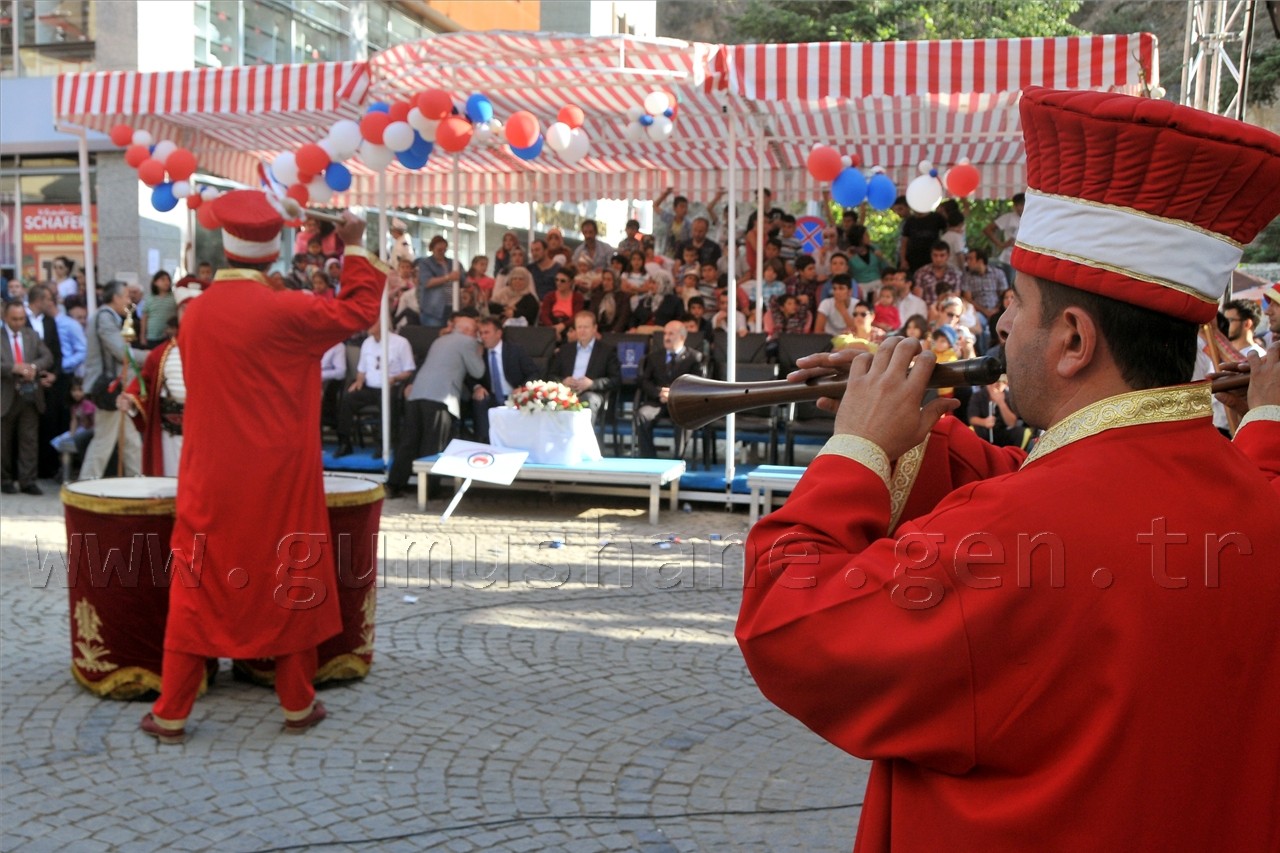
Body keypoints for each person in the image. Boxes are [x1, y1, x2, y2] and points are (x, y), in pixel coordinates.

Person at [737, 87, 1280, 851]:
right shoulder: (1252, 496)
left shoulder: (1006, 537)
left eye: (1017, 305)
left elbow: (790, 624)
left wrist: (856, 448)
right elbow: (1058, 490)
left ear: (1073, 340)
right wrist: (911, 430)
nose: (1000, 322)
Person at [139, 192, 386, 744]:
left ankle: (172, 711)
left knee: (196, 580)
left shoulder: (196, 313)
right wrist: (354, 245)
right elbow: (356, 311)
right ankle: (297, 702)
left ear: (224, 249)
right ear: (274, 253)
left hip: (211, 471)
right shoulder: (289, 310)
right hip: (279, 471)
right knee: (290, 575)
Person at [385, 313, 484, 500]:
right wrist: (479, 352)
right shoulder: (467, 342)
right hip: (440, 397)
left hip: (418, 394)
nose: (476, 334)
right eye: (474, 330)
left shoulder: (439, 341)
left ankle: (394, 484)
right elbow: (478, 371)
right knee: (433, 444)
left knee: (409, 441)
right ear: (465, 331)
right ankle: (430, 491)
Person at [118, 283, 203, 476]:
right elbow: (144, 384)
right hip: (169, 435)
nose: (188, 314)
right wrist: (131, 399)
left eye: (194, 309)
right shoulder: (161, 354)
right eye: (184, 309)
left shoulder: (218, 352)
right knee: (170, 487)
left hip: (204, 436)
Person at [78, 280, 143, 480]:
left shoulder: (106, 316)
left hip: (116, 389)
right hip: (110, 388)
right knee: (104, 442)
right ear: (115, 298)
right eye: (125, 296)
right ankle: (86, 486)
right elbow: (122, 353)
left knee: (131, 442)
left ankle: (138, 482)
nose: (128, 300)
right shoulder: (105, 317)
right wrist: (151, 356)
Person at [335, 318, 416, 458]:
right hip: (370, 386)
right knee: (347, 398)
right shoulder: (367, 343)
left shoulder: (401, 343)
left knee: (388, 402)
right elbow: (362, 369)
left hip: (390, 387)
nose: (368, 325)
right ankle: (344, 442)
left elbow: (409, 370)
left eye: (372, 322)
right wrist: (359, 380)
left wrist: (395, 378)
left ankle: (382, 444)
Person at [2, 299, 53, 494]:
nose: (18, 323)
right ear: (5, 317)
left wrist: (33, 367)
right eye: (14, 319)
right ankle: (5, 479)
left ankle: (28, 481)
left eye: (21, 319)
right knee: (3, 441)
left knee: (29, 439)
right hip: (5, 395)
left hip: (30, 396)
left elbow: (47, 357)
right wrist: (12, 368)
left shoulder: (32, 335)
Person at [634, 320, 704, 458]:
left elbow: (698, 385)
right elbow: (643, 381)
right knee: (642, 414)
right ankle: (649, 460)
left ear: (682, 337)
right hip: (658, 401)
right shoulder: (654, 357)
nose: (666, 337)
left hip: (680, 404)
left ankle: (677, 461)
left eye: (671, 333)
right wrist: (658, 392)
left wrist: (674, 395)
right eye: (665, 333)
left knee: (683, 418)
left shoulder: (695, 358)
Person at [471, 316, 540, 443]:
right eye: (481, 333)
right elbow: (469, 376)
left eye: (487, 332)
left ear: (498, 334)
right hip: (491, 396)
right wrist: (477, 387)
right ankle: (484, 442)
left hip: (514, 396)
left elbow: (534, 373)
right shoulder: (479, 352)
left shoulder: (515, 350)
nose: (483, 337)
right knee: (479, 400)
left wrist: (522, 388)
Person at [549, 311, 622, 425]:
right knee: (547, 400)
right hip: (566, 392)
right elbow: (551, 375)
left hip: (593, 393)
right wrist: (563, 381)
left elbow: (616, 380)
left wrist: (592, 384)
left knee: (589, 400)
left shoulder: (607, 351)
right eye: (579, 327)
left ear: (594, 328)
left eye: (586, 327)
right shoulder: (565, 350)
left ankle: (582, 441)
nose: (582, 331)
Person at [416, 236, 462, 326]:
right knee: (434, 335)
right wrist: (448, 277)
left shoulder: (453, 263)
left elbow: (464, 281)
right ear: (432, 249)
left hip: (452, 307)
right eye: (439, 250)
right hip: (433, 310)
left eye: (444, 250)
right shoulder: (425, 263)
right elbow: (427, 282)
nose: (442, 252)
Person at [142, 271, 177, 348]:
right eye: (163, 279)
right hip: (152, 337)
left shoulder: (174, 297)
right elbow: (144, 318)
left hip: (169, 336)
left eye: (168, 279)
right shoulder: (150, 298)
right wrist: (142, 336)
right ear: (155, 282)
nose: (166, 282)